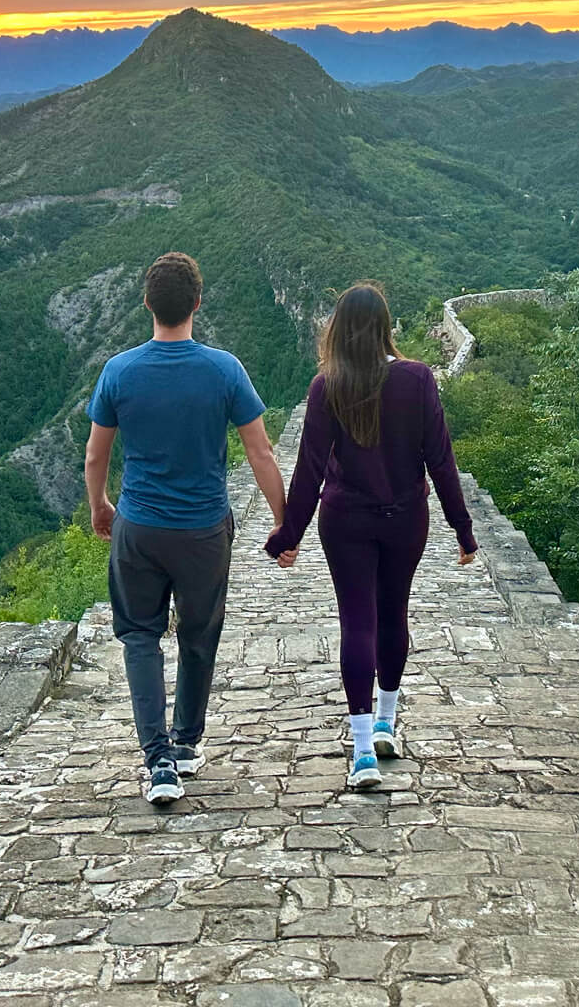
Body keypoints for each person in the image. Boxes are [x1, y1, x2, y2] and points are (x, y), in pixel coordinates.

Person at [86, 251, 287, 804]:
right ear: (198, 303)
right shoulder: (224, 370)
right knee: (199, 635)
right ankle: (186, 744)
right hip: (203, 530)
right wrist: (282, 521)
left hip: (139, 526)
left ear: (147, 303)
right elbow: (260, 451)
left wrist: (101, 506)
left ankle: (156, 762)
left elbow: (95, 456)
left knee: (139, 637)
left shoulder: (119, 372)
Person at [264, 282, 477, 789]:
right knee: (393, 613)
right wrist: (462, 530)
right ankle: (387, 721)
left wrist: (287, 535)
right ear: (386, 329)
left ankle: (361, 751)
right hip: (406, 519)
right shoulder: (418, 379)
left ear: (338, 331)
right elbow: (441, 461)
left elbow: (309, 470)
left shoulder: (327, 386)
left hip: (346, 522)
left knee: (357, 622)